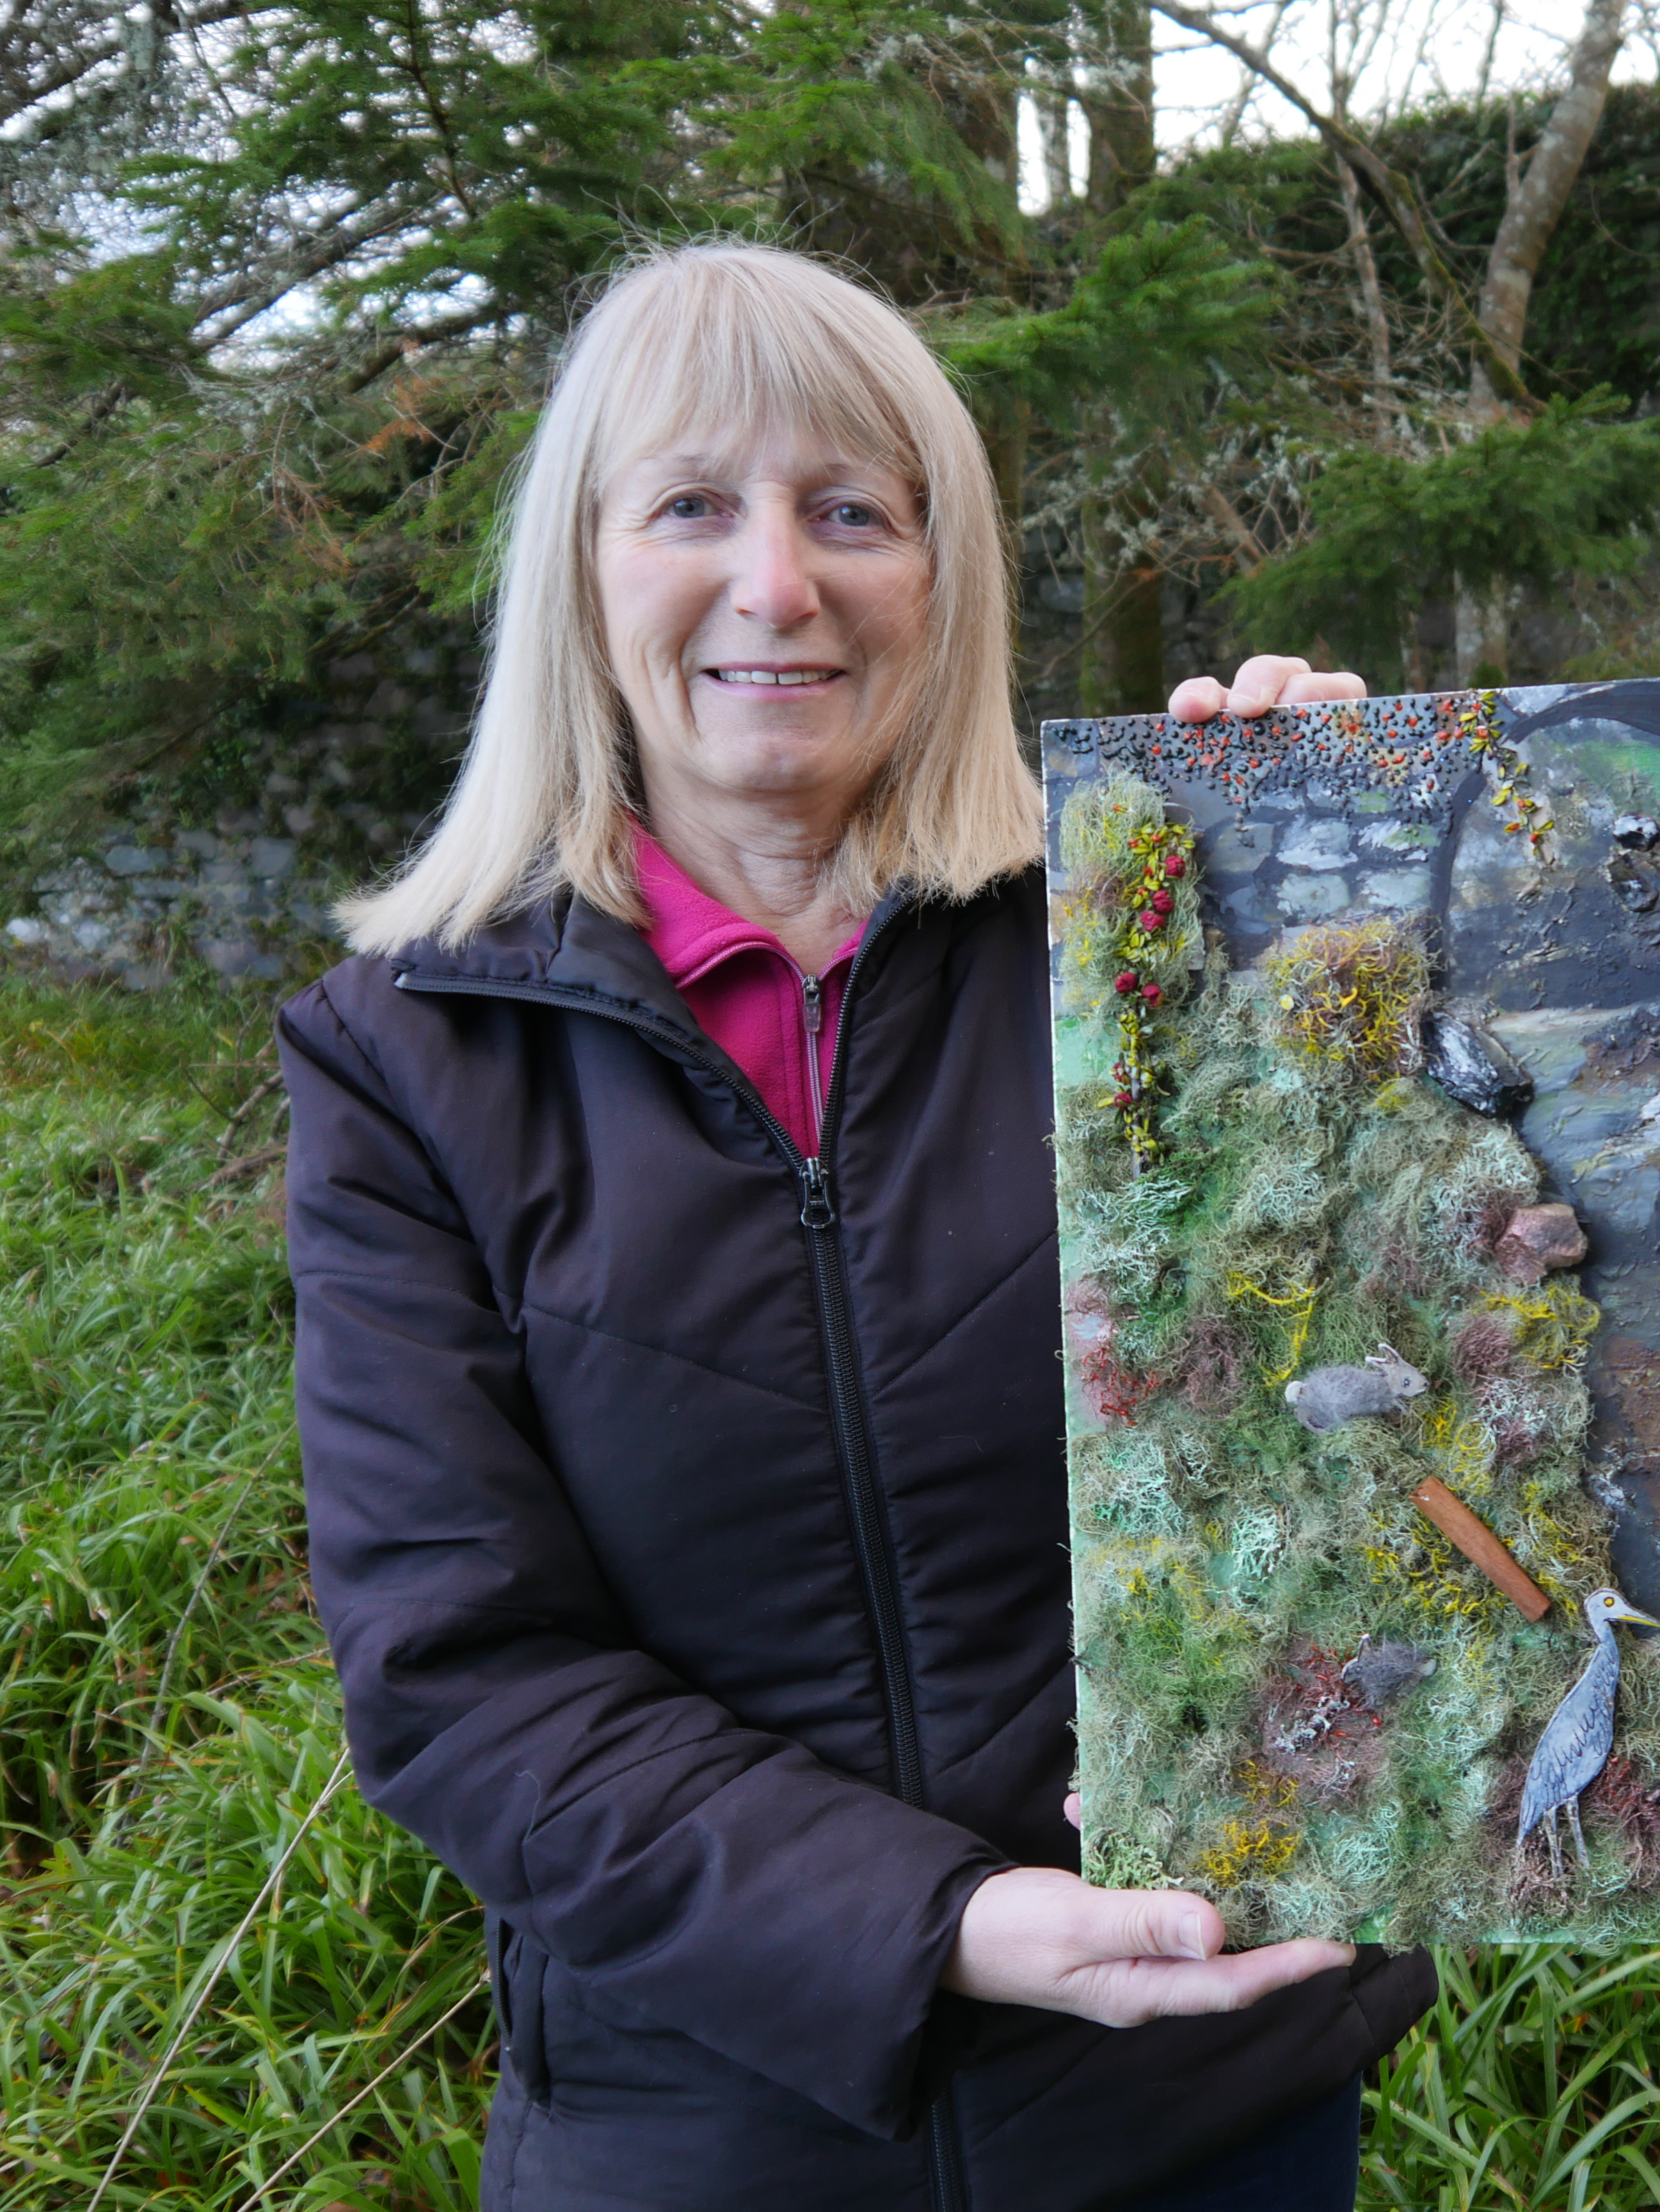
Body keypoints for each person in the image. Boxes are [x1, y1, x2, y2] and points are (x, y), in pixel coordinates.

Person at [280, 242, 1432, 2212]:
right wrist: (945, 1926)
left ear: (942, 576)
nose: (777, 585)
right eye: (693, 509)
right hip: (701, 2136)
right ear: (585, 573)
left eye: (849, 514)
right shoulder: (414, 1061)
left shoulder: (1139, 941)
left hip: (1200, 2108)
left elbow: (1413, 1346)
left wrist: (1335, 866)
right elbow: (463, 1675)